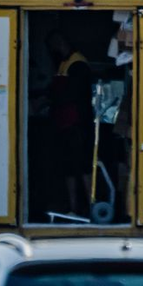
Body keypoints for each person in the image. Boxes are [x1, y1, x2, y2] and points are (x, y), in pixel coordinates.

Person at [46, 31, 94, 217]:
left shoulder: (78, 64)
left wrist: (51, 98)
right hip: (66, 125)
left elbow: (73, 96)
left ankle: (89, 206)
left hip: (78, 125)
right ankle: (73, 207)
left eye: (53, 46)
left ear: (60, 42)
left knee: (82, 167)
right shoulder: (64, 63)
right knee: (69, 168)